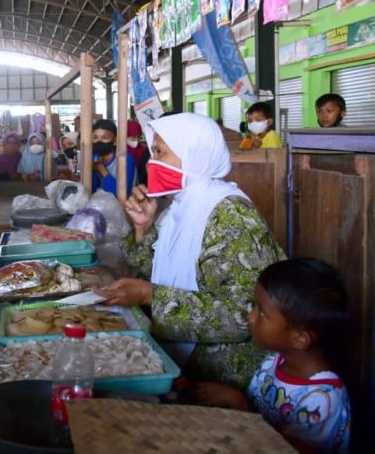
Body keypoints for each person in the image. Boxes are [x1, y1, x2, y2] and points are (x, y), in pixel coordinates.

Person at [93, 113, 284, 388]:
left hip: (227, 378)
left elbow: (242, 316)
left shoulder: (230, 216)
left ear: (194, 155)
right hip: (186, 366)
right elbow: (154, 271)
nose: (152, 162)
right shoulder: (179, 206)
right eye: (152, 152)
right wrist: (142, 227)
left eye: (160, 152)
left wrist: (151, 296)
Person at [190, 259, 350, 452]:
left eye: (262, 313)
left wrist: (239, 404)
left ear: (299, 338)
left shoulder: (322, 400)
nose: (251, 316)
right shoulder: (274, 362)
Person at [91, 119, 135, 196]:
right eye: (95, 138)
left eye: (104, 137)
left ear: (115, 140)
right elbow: (92, 189)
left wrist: (100, 168)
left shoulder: (126, 159)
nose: (99, 141)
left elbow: (122, 194)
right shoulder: (94, 157)